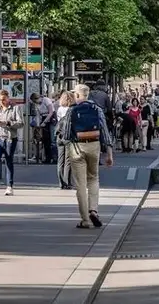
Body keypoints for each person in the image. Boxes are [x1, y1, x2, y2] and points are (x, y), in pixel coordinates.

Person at [60, 84, 114, 229]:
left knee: (80, 184)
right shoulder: (97, 109)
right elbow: (104, 131)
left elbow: (66, 135)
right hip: (94, 146)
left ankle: (85, 220)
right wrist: (109, 153)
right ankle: (93, 210)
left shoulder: (72, 110)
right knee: (93, 178)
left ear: (77, 95)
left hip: (77, 148)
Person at [0, 89, 21, 195]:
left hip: (9, 138)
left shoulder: (15, 108)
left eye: (3, 99)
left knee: (8, 161)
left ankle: (9, 186)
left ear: (8, 98)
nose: (1, 102)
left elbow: (21, 123)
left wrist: (8, 123)